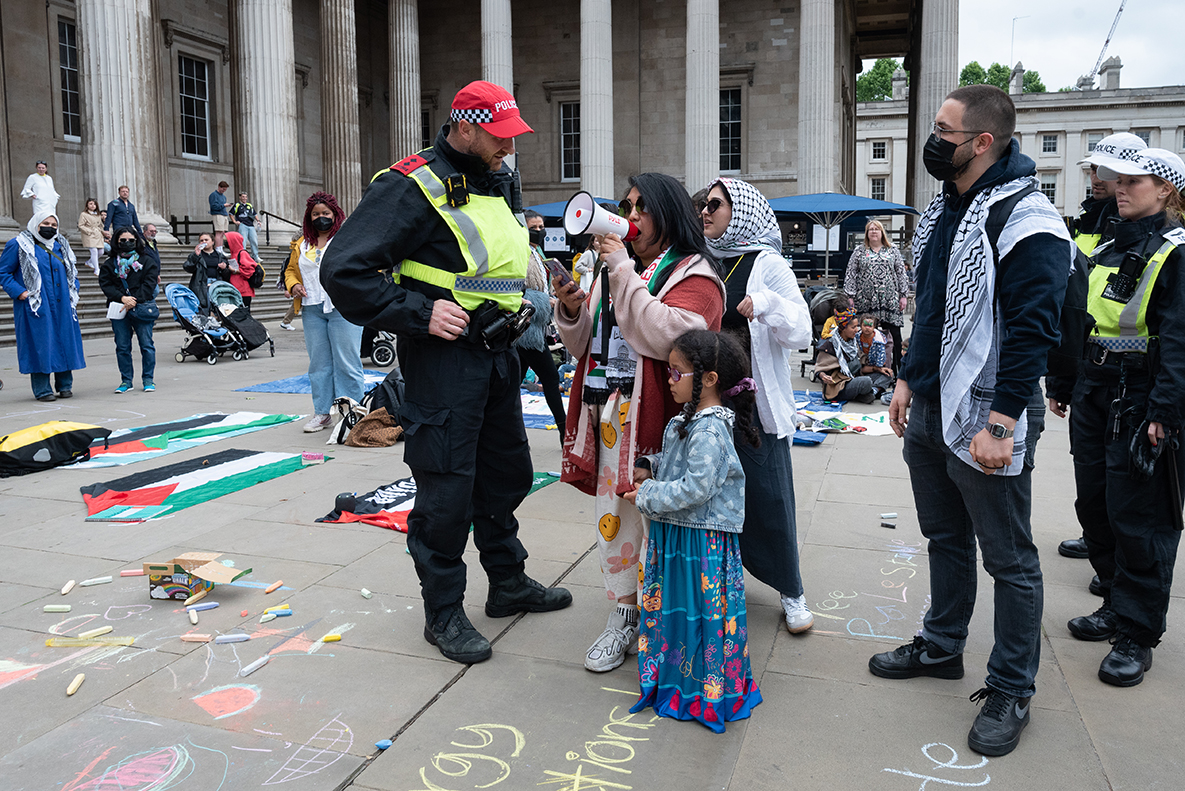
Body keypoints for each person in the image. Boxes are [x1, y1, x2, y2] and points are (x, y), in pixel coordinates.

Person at [321, 81, 573, 665]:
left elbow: (491, 269)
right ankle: (443, 613)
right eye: (500, 136)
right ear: (464, 127)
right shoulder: (410, 183)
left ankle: (508, 582)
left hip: (499, 354)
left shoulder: (495, 180)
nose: (509, 147)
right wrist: (419, 313)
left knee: (503, 476)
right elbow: (345, 269)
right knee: (445, 488)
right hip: (445, 362)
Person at [868, 84, 1073, 757]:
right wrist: (904, 379)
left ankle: (1011, 687)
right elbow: (927, 304)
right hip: (929, 401)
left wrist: (1002, 419)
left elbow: (1032, 331)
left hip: (989, 411)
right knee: (944, 537)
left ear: (982, 141)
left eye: (943, 129)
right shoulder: (944, 209)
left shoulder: (1029, 220)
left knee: (1009, 558)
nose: (934, 139)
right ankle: (941, 643)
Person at [555, 172, 724, 673]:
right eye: (626, 209)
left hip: (662, 420)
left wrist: (622, 271)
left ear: (666, 214)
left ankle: (665, 614)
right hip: (613, 415)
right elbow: (588, 344)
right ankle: (623, 611)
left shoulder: (696, 276)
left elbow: (667, 338)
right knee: (618, 516)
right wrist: (571, 311)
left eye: (639, 210)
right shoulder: (620, 269)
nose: (629, 220)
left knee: (665, 518)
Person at [1056, 149, 1185, 687]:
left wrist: (1165, 411)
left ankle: (1137, 630)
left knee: (1141, 518)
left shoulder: (1175, 251)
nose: (1119, 187)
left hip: (1141, 397)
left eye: (1133, 181)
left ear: (1165, 190)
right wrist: (1063, 381)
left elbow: (1179, 337)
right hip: (1094, 389)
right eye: (1116, 180)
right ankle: (1113, 598)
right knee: (1096, 504)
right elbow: (1078, 318)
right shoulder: (1107, 240)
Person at [624, 329, 763, 732]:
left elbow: (697, 488)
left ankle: (701, 689)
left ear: (709, 379)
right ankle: (686, 682)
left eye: (676, 372)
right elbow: (682, 465)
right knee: (686, 615)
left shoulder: (708, 429)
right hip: (684, 537)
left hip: (698, 542)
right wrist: (652, 464)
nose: (670, 379)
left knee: (699, 616)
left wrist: (647, 493)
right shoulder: (694, 421)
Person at [699, 176, 815, 633]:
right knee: (708, 498)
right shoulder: (701, 262)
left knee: (769, 497)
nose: (705, 212)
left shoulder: (767, 265)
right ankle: (718, 582)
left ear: (740, 211)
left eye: (715, 205)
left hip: (753, 409)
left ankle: (792, 591)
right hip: (707, 406)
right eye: (703, 205)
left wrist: (765, 303)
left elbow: (802, 331)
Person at [1054, 132, 1148, 563]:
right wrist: (1061, 378)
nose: (1097, 178)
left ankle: (1118, 569)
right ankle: (1099, 545)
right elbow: (1076, 304)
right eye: (1093, 169)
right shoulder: (1089, 221)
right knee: (1089, 474)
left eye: (1107, 172)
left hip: (1131, 378)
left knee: (1122, 479)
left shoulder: (1144, 233)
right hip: (1088, 370)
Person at [284, 192, 365, 433]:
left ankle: (352, 412)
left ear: (335, 215)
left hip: (343, 308)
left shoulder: (347, 239)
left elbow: (364, 264)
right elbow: (290, 270)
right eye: (316, 214)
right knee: (319, 364)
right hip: (312, 309)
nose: (321, 218)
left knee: (347, 361)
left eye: (326, 214)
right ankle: (322, 413)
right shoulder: (301, 243)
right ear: (309, 217)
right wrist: (293, 284)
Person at [0, 210, 86, 401]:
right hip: (36, 305)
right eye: (45, 224)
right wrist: (19, 292)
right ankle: (42, 389)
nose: (50, 228)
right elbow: (3, 272)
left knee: (64, 341)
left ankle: (65, 385)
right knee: (39, 344)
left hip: (62, 303)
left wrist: (73, 291)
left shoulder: (61, 245)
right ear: (35, 224)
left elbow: (72, 272)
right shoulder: (19, 244)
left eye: (54, 225)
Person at [99, 226, 160, 393]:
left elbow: (150, 284)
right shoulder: (110, 263)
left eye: (131, 240)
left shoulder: (147, 261)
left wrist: (134, 300)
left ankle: (148, 379)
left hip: (141, 306)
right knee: (122, 346)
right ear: (116, 242)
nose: (127, 243)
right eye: (123, 241)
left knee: (146, 345)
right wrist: (122, 298)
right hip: (119, 307)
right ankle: (126, 380)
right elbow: (106, 284)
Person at [843, 219, 908, 372]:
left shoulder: (892, 250)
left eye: (876, 229)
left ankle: (898, 371)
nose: (873, 231)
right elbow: (850, 274)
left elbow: (901, 274)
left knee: (894, 337)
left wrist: (903, 295)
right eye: (870, 229)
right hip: (866, 301)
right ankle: (868, 368)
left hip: (889, 301)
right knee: (866, 336)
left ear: (882, 233)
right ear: (867, 233)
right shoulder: (859, 251)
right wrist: (850, 295)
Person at [514, 244, 566, 432]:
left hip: (532, 328)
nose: (539, 231)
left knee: (514, 382)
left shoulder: (537, 253)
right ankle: (564, 430)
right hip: (527, 330)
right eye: (534, 227)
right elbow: (518, 288)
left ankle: (513, 431)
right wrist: (544, 301)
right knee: (550, 378)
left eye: (540, 226)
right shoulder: (519, 250)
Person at [815, 307, 887, 403]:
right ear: (843, 328)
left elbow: (860, 366)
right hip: (840, 386)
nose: (857, 330)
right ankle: (868, 393)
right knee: (866, 381)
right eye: (853, 327)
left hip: (854, 377)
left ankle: (869, 393)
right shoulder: (830, 345)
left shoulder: (853, 342)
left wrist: (879, 369)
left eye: (857, 326)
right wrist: (824, 376)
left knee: (887, 375)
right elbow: (819, 369)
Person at [183, 232, 226, 314]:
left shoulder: (219, 256)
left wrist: (224, 269)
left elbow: (226, 274)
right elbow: (188, 268)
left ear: (213, 241)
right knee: (204, 308)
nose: (204, 242)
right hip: (202, 284)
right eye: (201, 240)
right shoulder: (196, 255)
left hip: (217, 284)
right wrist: (196, 256)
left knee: (218, 309)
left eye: (206, 240)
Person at [223, 231, 258, 310]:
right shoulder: (233, 254)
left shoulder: (242, 253)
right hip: (235, 288)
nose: (225, 243)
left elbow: (250, 270)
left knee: (243, 313)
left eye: (227, 241)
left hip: (243, 289)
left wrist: (235, 270)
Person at [278, 232, 301, 331]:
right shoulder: (292, 255)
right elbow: (287, 272)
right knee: (297, 304)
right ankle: (286, 321)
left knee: (298, 304)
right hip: (296, 284)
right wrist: (287, 288)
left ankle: (286, 321)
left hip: (299, 284)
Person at [77, 198, 104, 275]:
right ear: (87, 205)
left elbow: (100, 225)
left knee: (101, 251)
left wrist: (103, 232)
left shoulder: (98, 215)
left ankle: (89, 262)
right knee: (94, 251)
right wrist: (89, 231)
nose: (93, 205)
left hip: (98, 234)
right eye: (91, 204)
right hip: (89, 234)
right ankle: (97, 269)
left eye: (94, 204)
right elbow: (81, 225)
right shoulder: (84, 214)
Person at [230, 192, 260, 260]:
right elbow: (231, 213)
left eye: (245, 197)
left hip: (251, 225)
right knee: (243, 241)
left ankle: (256, 256)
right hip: (242, 224)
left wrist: (258, 221)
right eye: (243, 197)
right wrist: (234, 221)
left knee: (254, 241)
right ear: (240, 197)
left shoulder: (249, 205)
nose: (244, 198)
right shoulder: (237, 205)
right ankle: (242, 256)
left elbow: (254, 214)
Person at [210, 181, 230, 251]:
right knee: (218, 232)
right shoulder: (214, 195)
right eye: (223, 189)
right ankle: (218, 248)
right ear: (219, 187)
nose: (224, 191)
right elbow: (213, 206)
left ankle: (221, 248)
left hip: (223, 214)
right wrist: (223, 205)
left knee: (223, 232)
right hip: (217, 214)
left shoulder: (223, 196)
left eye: (225, 189)